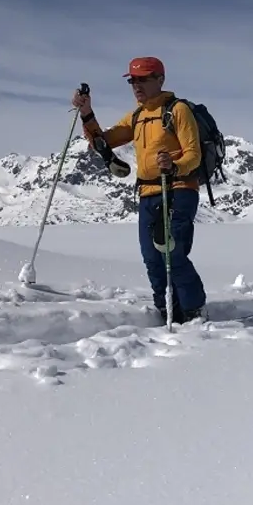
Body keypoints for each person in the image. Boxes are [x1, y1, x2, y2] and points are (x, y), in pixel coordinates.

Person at [72, 56, 208, 324]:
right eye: (133, 80)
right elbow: (103, 141)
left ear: (160, 80)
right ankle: (167, 310)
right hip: (147, 193)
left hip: (178, 189)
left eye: (143, 79)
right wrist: (86, 112)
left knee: (172, 251)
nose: (137, 85)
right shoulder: (137, 116)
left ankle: (193, 312)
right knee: (152, 258)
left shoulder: (177, 110)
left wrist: (174, 164)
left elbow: (194, 155)